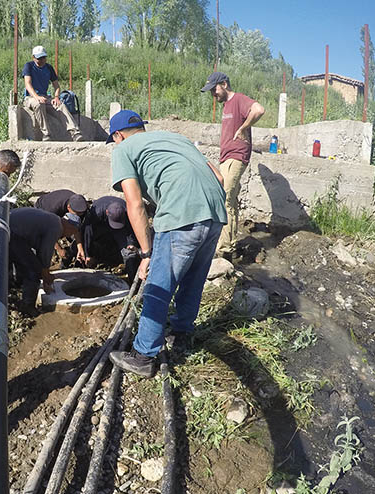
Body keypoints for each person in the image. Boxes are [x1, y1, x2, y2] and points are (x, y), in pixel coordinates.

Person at [106, 110, 226, 378]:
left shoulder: (123, 149)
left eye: (114, 139)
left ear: (117, 135)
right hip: (215, 212)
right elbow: (218, 177)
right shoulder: (175, 138)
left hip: (181, 214)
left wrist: (147, 253)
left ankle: (144, 355)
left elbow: (134, 204)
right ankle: (182, 335)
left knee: (159, 285)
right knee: (193, 280)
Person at [201, 72, 265, 256]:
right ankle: (229, 242)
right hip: (226, 157)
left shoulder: (238, 100)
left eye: (215, 89)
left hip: (237, 156)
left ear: (224, 84)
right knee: (230, 201)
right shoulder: (227, 105)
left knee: (225, 199)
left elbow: (259, 110)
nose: (213, 94)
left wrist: (244, 128)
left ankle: (224, 249)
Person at [8, 207, 81, 316]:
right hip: (14, 234)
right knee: (33, 270)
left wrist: (45, 272)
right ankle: (27, 306)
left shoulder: (53, 219)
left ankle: (16, 286)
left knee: (24, 260)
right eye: (71, 233)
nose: (67, 236)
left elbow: (39, 249)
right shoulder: (56, 227)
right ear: (70, 227)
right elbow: (44, 252)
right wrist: (45, 274)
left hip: (7, 226)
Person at [22, 45, 84, 142]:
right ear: (33, 57)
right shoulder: (28, 66)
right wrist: (37, 97)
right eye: (39, 58)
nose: (42, 60)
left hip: (45, 97)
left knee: (60, 105)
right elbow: (28, 84)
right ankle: (46, 134)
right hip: (30, 97)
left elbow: (56, 86)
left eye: (43, 57)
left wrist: (56, 97)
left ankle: (75, 133)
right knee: (39, 104)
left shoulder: (49, 68)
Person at [81, 196, 141, 280]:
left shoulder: (127, 211)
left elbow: (131, 229)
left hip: (121, 228)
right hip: (100, 225)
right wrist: (87, 254)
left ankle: (132, 278)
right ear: (106, 212)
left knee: (128, 252)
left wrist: (131, 243)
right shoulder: (96, 213)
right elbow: (87, 233)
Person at [35, 189, 88, 264]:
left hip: (61, 210)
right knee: (47, 242)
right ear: (69, 207)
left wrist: (80, 248)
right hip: (42, 209)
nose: (78, 215)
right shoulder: (53, 209)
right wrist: (59, 249)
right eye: (76, 214)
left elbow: (76, 228)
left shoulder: (79, 205)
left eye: (80, 214)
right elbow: (47, 233)